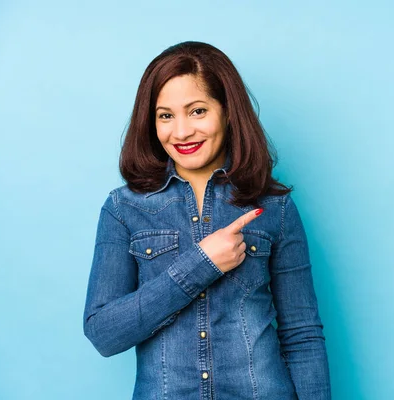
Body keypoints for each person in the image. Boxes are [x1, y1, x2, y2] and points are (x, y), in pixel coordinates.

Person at [82, 41, 332, 399]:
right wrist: (202, 264)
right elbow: (104, 333)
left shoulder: (275, 207)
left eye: (197, 111)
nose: (181, 132)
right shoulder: (123, 208)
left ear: (228, 112)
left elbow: (302, 334)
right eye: (165, 115)